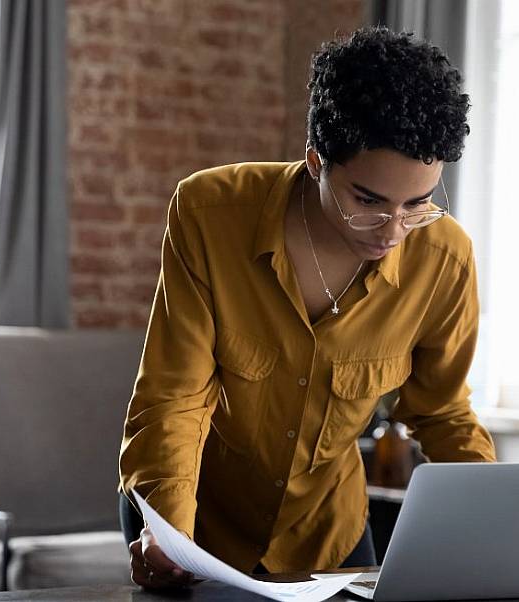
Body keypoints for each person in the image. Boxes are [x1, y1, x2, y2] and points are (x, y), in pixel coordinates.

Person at [118, 26, 496, 589]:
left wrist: (500, 521)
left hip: (328, 530)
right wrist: (170, 530)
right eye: (367, 201)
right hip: (190, 517)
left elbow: (441, 413)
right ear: (317, 161)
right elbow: (176, 397)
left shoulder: (445, 258)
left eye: (417, 204)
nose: (393, 231)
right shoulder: (209, 212)